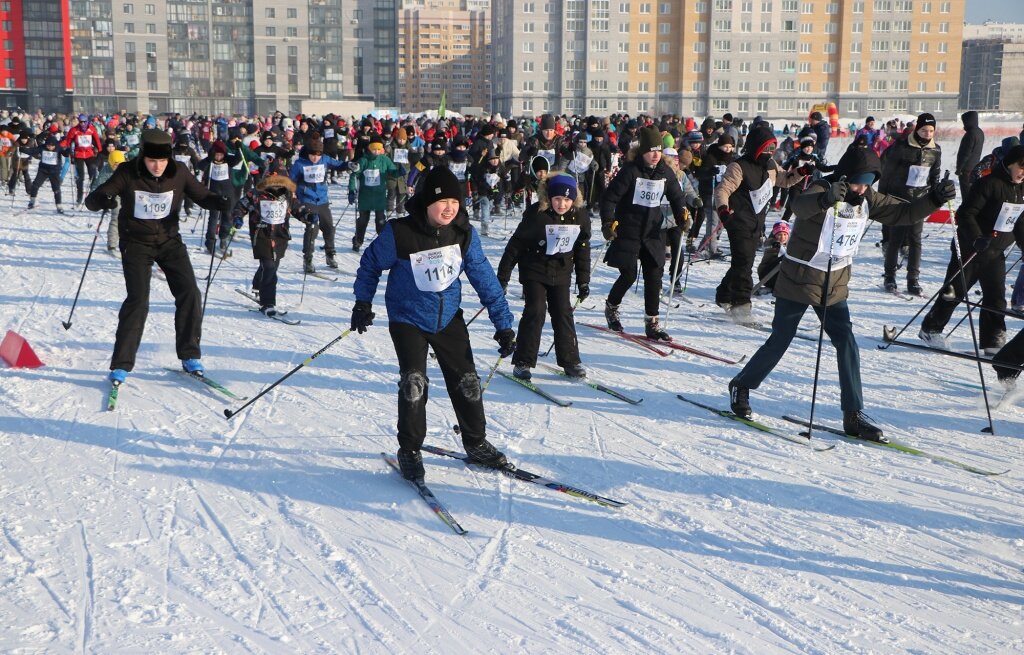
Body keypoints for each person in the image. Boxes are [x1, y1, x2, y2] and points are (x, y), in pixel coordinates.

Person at [728, 148, 954, 442]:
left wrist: (933, 199)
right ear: (847, 177)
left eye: (867, 183)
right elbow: (800, 206)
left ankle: (853, 414)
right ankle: (742, 385)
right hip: (799, 279)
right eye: (859, 182)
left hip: (834, 284)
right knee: (781, 338)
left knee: (847, 342)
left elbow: (902, 212)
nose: (862, 189)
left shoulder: (867, 197)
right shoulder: (825, 188)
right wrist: (826, 198)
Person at [351, 166, 516, 483]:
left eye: (454, 201)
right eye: (442, 202)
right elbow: (370, 263)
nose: (449, 208)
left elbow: (486, 280)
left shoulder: (464, 234)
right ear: (426, 202)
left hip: (448, 316)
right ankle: (410, 449)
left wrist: (503, 324)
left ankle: (475, 441)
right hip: (407, 316)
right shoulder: (400, 233)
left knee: (467, 380)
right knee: (414, 382)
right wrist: (363, 302)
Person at [84, 130, 231, 384]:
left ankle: (189, 355)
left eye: (162, 161)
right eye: (152, 161)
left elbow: (202, 196)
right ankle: (121, 364)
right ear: (143, 156)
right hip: (136, 243)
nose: (157, 166)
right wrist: (102, 199)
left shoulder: (179, 172)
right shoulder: (128, 172)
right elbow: (93, 199)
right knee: (138, 300)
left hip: (169, 242)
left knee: (190, 292)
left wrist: (219, 201)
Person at [919, 144, 1024, 354]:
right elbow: (965, 214)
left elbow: (1019, 222)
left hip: (995, 252)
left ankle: (993, 340)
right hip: (971, 249)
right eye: (1022, 167)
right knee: (954, 292)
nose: (1023, 173)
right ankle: (930, 329)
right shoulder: (988, 184)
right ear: (1010, 164)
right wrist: (977, 238)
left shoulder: (1020, 189)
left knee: (996, 297)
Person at [600, 126, 692, 340]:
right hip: (628, 230)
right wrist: (607, 223)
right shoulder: (631, 171)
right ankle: (612, 306)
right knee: (629, 274)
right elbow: (610, 198)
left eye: (658, 151)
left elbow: (677, 197)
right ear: (642, 151)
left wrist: (681, 216)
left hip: (653, 231)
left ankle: (652, 323)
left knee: (654, 274)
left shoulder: (665, 172)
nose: (655, 155)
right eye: (651, 150)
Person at [496, 173, 591, 381]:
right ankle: (523, 362)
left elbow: (582, 248)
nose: (562, 204)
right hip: (535, 268)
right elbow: (515, 246)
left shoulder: (580, 217)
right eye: (557, 199)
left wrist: (583, 280)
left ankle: (570, 361)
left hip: (562, 270)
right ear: (549, 197)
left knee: (563, 312)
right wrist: (503, 277)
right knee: (536, 310)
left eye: (567, 199)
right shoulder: (537, 214)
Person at [714, 124, 803, 323]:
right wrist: (723, 209)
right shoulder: (739, 166)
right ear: (756, 147)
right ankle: (741, 305)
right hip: (737, 220)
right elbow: (723, 190)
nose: (770, 152)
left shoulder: (770, 165)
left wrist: (801, 172)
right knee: (744, 263)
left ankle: (723, 295)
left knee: (742, 261)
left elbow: (784, 179)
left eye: (772, 148)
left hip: (757, 223)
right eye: (766, 148)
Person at [880, 112, 942, 296]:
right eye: (924, 130)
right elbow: (887, 172)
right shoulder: (901, 145)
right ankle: (889, 276)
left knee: (915, 239)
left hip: (920, 200)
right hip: (900, 198)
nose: (928, 134)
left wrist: (935, 196)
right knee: (896, 238)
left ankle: (913, 280)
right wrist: (883, 196)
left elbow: (935, 175)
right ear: (917, 129)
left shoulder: (935, 150)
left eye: (931, 131)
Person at [233, 172, 312, 316]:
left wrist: (308, 216)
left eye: (279, 183)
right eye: (273, 182)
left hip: (280, 236)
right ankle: (268, 303)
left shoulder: (288, 194)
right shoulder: (256, 194)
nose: (276, 186)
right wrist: (237, 217)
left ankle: (258, 284)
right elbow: (241, 205)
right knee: (269, 267)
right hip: (261, 234)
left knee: (271, 266)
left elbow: (297, 209)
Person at [289, 134, 354, 272]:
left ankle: (330, 254)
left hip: (322, 200)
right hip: (307, 200)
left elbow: (338, 165)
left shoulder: (324, 160)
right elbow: (291, 181)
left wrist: (349, 164)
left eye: (318, 155)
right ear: (308, 153)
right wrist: (295, 192)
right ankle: (308, 258)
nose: (315, 158)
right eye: (312, 155)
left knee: (329, 227)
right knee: (312, 227)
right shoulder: (300, 164)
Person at [348, 134, 400, 251]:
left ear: (382, 149)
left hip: (379, 197)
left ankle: (382, 243)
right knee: (362, 221)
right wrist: (351, 190)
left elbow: (392, 172)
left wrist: (399, 171)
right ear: (369, 148)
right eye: (374, 149)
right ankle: (358, 240)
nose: (376, 152)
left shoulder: (385, 160)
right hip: (365, 197)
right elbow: (354, 175)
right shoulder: (364, 160)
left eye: (378, 149)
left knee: (381, 221)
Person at [61, 114, 102, 206]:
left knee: (92, 174)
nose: (82, 124)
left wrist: (99, 149)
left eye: (84, 122)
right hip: (78, 154)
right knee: (81, 177)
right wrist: (62, 147)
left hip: (89, 154)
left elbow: (97, 140)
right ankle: (79, 197)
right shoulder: (74, 130)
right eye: (80, 122)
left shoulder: (91, 129)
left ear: (87, 121)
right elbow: (67, 141)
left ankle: (93, 194)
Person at [25, 136, 70, 213]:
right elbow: (33, 151)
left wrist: (68, 151)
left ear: (55, 145)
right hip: (43, 170)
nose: (50, 147)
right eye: (48, 145)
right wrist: (23, 149)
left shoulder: (58, 148)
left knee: (56, 189)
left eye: (52, 146)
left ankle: (59, 205)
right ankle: (32, 201)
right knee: (35, 185)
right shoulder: (42, 147)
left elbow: (65, 154)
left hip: (54, 171)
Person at [956, 111, 985, 198]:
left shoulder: (970, 134)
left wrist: (959, 168)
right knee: (972, 192)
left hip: (966, 169)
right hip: (975, 166)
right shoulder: (980, 132)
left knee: (966, 193)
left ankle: (965, 210)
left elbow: (965, 153)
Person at [755, 220, 790, 294]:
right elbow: (767, 245)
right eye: (779, 234)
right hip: (766, 274)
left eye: (785, 234)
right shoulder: (772, 243)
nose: (782, 237)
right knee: (785, 258)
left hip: (777, 276)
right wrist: (774, 246)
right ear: (775, 235)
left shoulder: (789, 245)